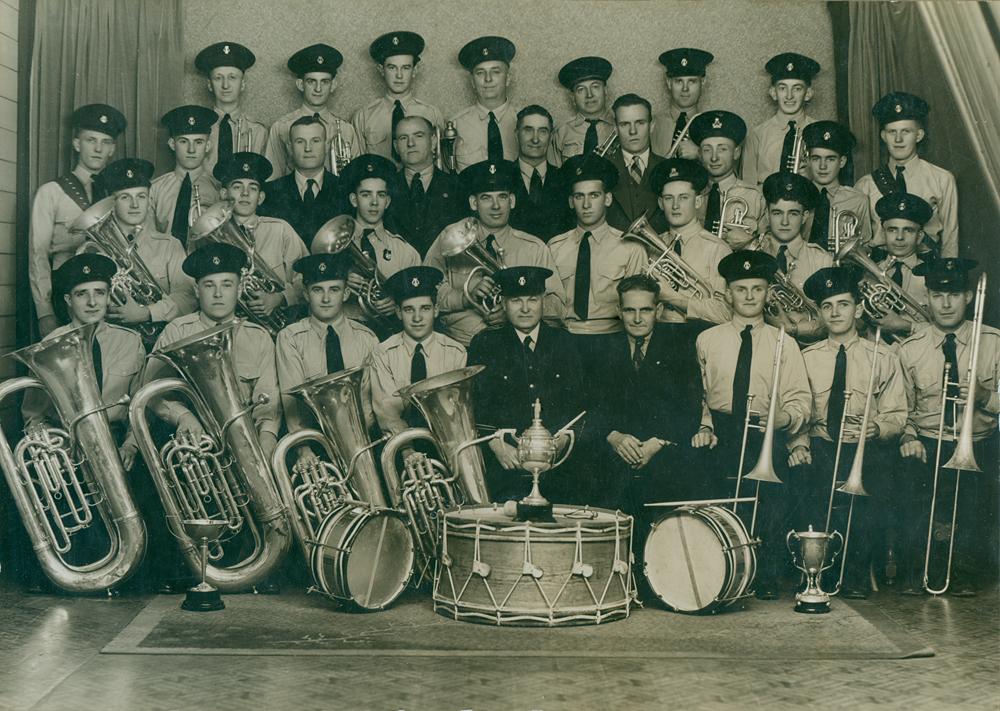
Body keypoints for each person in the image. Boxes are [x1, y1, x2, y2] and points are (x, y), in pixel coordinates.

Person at [692, 250, 811, 599]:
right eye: (740, 289)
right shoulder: (707, 340)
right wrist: (705, 427)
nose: (748, 296)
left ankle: (766, 572)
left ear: (768, 294)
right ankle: (711, 568)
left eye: (757, 289)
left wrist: (784, 419)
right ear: (728, 292)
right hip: (720, 431)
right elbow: (697, 394)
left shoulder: (784, 344)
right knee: (703, 481)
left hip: (764, 431)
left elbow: (800, 399)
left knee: (772, 491)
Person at [787, 266, 906, 599]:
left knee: (869, 501)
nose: (835, 312)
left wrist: (879, 427)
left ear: (858, 308)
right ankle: (813, 574)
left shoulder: (883, 356)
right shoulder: (806, 358)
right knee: (808, 493)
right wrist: (798, 444)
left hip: (865, 448)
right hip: (822, 445)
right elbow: (797, 410)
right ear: (820, 313)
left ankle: (854, 575)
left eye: (843, 304)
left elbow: (897, 415)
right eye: (827, 306)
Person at [897, 257, 999, 597]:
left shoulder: (994, 342)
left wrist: (985, 396)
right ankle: (917, 571)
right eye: (937, 295)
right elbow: (903, 410)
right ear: (926, 297)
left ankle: (965, 573)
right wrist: (909, 436)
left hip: (980, 442)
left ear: (968, 297)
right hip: (929, 442)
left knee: (976, 507)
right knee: (914, 496)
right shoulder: (910, 349)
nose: (945, 303)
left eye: (953, 294)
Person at [143, 242, 281, 460]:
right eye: (209, 286)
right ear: (197, 290)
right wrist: (183, 417)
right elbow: (152, 390)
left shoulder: (259, 337)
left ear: (240, 287)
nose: (218, 294)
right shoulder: (176, 332)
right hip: (194, 444)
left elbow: (269, 397)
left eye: (227, 285)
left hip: (250, 442)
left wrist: (267, 436)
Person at [592, 274, 703, 522]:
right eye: (630, 310)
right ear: (618, 310)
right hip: (615, 455)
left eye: (646, 309)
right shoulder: (601, 349)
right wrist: (614, 436)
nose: (638, 318)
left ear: (659, 310)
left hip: (664, 455)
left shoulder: (681, 347)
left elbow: (692, 410)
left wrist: (659, 442)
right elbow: (590, 407)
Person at [466, 266, 583, 502]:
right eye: (516, 300)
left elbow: (580, 404)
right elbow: (473, 406)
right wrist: (495, 444)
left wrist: (564, 439)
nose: (526, 308)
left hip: (559, 466)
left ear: (543, 300)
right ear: (503, 302)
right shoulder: (485, 344)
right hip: (504, 464)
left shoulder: (566, 342)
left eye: (533, 299)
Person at [424, 159, 565, 346]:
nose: (496, 206)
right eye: (486, 198)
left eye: (502, 197)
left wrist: (511, 310)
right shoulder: (452, 236)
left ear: (512, 201)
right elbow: (426, 291)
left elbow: (558, 305)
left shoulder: (534, 247)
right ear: (474, 203)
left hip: (516, 346)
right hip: (460, 345)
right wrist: (467, 298)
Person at [275, 252, 379, 467]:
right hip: (314, 444)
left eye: (334, 290)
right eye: (317, 290)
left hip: (364, 440)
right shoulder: (290, 337)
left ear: (346, 293)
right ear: (305, 293)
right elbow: (293, 405)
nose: (325, 298)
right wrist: (304, 448)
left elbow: (370, 402)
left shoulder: (366, 338)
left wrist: (357, 442)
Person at [30, 104, 126, 336]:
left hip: (110, 300)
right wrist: (45, 312)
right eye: (91, 140)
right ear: (76, 144)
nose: (97, 148)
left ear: (112, 149)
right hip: (64, 299)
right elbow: (38, 256)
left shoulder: (121, 194)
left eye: (105, 142)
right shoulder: (51, 192)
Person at [86, 158, 196, 333]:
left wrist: (146, 313)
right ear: (111, 203)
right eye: (125, 197)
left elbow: (187, 297)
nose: (135, 205)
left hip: (160, 340)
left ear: (149, 199)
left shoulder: (169, 245)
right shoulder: (93, 250)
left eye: (141, 196)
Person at [548, 154, 646, 336]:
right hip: (565, 336)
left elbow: (637, 307)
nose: (586, 204)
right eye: (579, 196)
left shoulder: (630, 247)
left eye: (594, 195)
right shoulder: (554, 248)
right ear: (571, 202)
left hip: (612, 337)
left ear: (607, 199)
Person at [855, 92, 957, 258]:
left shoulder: (942, 179)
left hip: (926, 268)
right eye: (891, 132)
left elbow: (950, 239)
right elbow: (862, 242)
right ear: (883, 136)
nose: (898, 139)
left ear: (919, 135)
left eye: (906, 131)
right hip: (880, 270)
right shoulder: (866, 184)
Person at [211, 152, 307, 326]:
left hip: (276, 325)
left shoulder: (280, 229)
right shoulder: (211, 236)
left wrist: (280, 298)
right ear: (224, 194)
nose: (246, 193)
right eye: (238, 187)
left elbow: (308, 277)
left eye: (253, 188)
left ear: (261, 198)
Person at [368, 266, 466, 437]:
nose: (417, 318)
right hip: (400, 440)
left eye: (425, 308)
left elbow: (456, 411)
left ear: (436, 310)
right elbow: (388, 413)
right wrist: (407, 450)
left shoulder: (456, 352)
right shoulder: (383, 354)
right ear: (398, 312)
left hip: (447, 438)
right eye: (409, 310)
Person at [644, 157, 732, 330]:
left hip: (698, 335)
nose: (675, 205)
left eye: (683, 197)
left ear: (698, 201)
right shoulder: (651, 246)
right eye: (669, 198)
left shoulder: (716, 248)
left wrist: (673, 298)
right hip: (656, 334)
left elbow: (726, 313)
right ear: (661, 204)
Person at [338, 154, 420, 332]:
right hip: (347, 333)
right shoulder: (335, 246)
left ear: (388, 201)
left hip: (390, 335)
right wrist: (341, 283)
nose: (374, 202)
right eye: (366, 195)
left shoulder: (406, 251)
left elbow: (420, 301)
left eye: (381, 195)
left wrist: (399, 304)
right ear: (354, 200)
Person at [263, 44, 361, 178]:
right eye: (311, 81)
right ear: (300, 84)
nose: (318, 89)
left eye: (325, 82)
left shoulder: (346, 129)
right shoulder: (281, 127)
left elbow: (355, 178)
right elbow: (273, 179)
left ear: (333, 85)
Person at [758, 171, 833, 341]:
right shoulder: (755, 255)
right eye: (777, 213)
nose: (784, 222)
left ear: (805, 216)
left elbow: (831, 317)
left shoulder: (822, 260)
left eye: (792, 213)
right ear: (767, 214)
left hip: (807, 349)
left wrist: (794, 329)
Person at [352, 31, 443, 163]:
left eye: (405, 68)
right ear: (381, 69)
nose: (399, 75)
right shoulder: (363, 117)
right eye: (392, 68)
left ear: (415, 71)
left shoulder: (432, 114)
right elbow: (360, 167)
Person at [258, 115, 346, 245]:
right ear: (289, 148)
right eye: (300, 141)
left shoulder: (345, 189)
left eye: (315, 141)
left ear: (327, 146)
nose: (308, 148)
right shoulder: (270, 192)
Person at [386, 116, 465, 258]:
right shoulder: (385, 189)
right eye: (404, 138)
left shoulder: (457, 188)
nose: (411, 143)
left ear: (433, 141)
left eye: (418, 136)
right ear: (396, 147)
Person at [688, 110, 766, 250]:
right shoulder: (690, 194)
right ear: (699, 154)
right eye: (707, 150)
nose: (714, 158)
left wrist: (750, 241)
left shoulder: (756, 197)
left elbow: (770, 246)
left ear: (736, 153)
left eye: (722, 149)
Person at [742, 53, 821, 187]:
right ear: (773, 93)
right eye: (782, 88)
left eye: (797, 88)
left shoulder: (820, 131)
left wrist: (813, 176)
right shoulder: (757, 135)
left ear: (808, 94)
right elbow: (747, 186)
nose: (789, 96)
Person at [865, 193, 934, 341]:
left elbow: (943, 328)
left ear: (920, 236)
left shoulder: (932, 275)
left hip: (919, 355)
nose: (899, 237)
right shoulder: (869, 273)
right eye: (892, 230)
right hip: (877, 356)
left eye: (908, 230)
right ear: (883, 234)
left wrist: (906, 326)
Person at [149, 105, 220, 248]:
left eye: (198, 142)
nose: (191, 150)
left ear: (208, 146)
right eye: (183, 141)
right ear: (172, 144)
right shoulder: (153, 190)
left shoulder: (218, 188)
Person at [193, 41, 268, 174]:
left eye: (232, 77)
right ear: (209, 85)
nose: (225, 85)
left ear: (243, 84)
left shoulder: (258, 131)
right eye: (218, 78)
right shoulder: (197, 129)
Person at [450, 36, 517, 171]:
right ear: (472, 82)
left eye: (496, 72)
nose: (488, 79)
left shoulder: (524, 122)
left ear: (508, 78)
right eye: (480, 73)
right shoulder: (456, 126)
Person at [801, 121, 871, 249]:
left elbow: (865, 246)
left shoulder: (858, 200)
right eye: (816, 158)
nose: (823, 166)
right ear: (807, 161)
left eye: (830, 159)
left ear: (842, 162)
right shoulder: (798, 196)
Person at [508, 105, 574, 242]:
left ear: (551, 137)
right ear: (516, 135)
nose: (535, 139)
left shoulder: (565, 179)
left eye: (542, 131)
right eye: (528, 130)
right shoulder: (503, 177)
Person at [604, 94, 669, 234]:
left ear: (651, 126)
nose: (633, 131)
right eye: (625, 124)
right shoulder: (601, 168)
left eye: (640, 123)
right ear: (615, 128)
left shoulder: (667, 167)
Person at [548, 56, 615, 167]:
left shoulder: (621, 126)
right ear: (572, 97)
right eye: (581, 89)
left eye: (595, 87)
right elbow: (555, 177)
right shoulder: (561, 132)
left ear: (606, 91)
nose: (589, 95)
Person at [650, 48, 713, 160]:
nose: (685, 88)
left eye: (692, 81)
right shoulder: (651, 124)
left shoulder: (712, 126)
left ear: (703, 82)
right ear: (669, 83)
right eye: (679, 81)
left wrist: (700, 155)